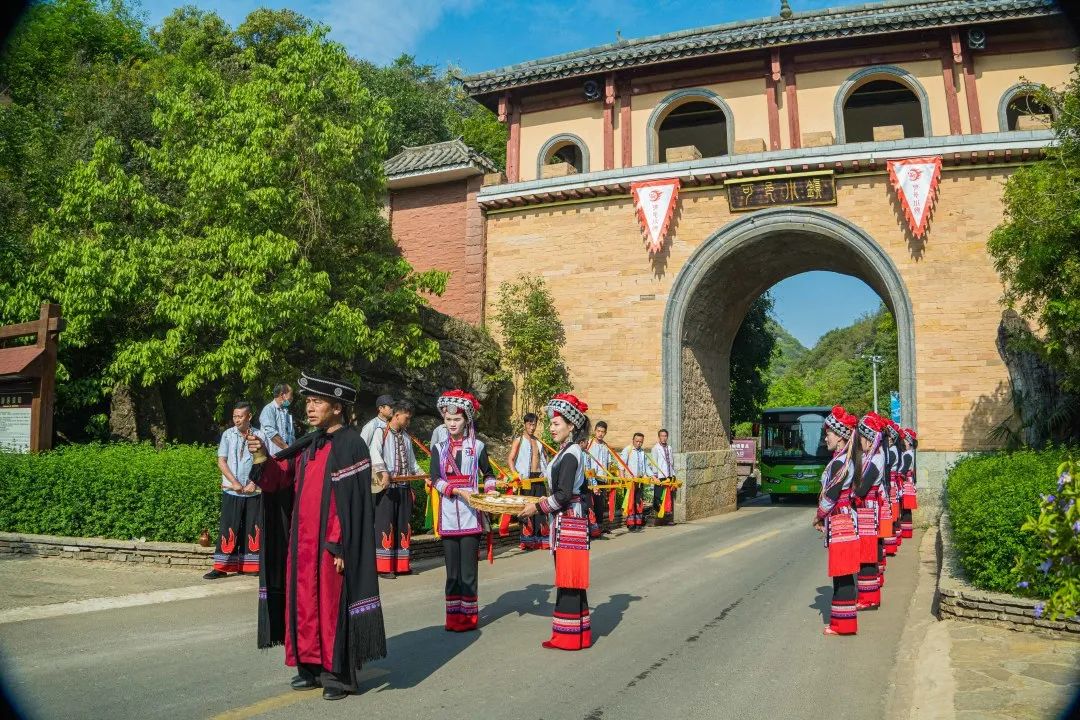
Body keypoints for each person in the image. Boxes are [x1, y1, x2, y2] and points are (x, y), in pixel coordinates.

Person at [247, 372, 385, 701]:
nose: (309, 408)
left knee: (330, 607)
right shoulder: (309, 443)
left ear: (337, 407)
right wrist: (261, 456)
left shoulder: (352, 444)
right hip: (301, 544)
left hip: (330, 546)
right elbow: (280, 481)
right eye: (308, 401)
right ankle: (309, 668)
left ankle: (337, 675)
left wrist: (339, 545)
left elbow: (349, 502)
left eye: (317, 402)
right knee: (303, 604)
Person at [519, 393, 592, 650]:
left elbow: (562, 495)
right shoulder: (567, 451)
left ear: (571, 426)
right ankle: (578, 634)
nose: (551, 428)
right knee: (570, 580)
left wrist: (535, 507)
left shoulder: (571, 453)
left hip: (569, 521)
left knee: (569, 580)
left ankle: (568, 638)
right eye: (550, 424)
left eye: (556, 424)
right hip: (568, 519)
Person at [429, 390, 497, 632]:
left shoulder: (477, 446)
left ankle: (469, 619)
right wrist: (457, 492)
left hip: (470, 516)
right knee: (452, 573)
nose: (452, 424)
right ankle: (452, 618)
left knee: (468, 572)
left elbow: (489, 474)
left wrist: (490, 492)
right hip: (448, 516)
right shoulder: (438, 447)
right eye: (448, 420)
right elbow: (435, 479)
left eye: (456, 420)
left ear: (466, 420)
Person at [812, 405, 859, 636]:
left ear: (840, 436)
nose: (826, 437)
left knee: (842, 571)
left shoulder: (841, 462)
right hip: (842, 518)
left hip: (840, 519)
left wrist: (819, 515)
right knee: (843, 572)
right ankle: (842, 622)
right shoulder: (841, 459)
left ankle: (843, 624)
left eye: (829, 433)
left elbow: (831, 495)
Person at [205, 402, 265, 580]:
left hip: (253, 491)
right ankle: (221, 567)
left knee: (253, 527)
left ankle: (251, 566)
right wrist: (234, 482)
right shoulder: (228, 435)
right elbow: (221, 461)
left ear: (249, 417)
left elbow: (263, 461)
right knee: (228, 527)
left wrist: (253, 483)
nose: (237, 420)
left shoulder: (259, 435)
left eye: (240, 416)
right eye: (234, 416)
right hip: (232, 490)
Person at [371, 400, 422, 578]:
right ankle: (384, 567)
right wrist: (383, 472)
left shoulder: (407, 437)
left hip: (404, 486)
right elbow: (374, 453)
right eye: (406, 418)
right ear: (397, 415)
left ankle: (401, 565)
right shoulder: (380, 433)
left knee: (403, 525)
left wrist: (424, 477)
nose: (408, 422)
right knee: (386, 525)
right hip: (387, 487)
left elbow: (413, 463)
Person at [852, 412, 887, 610]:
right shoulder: (873, 457)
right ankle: (869, 596)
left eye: (862, 439)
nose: (860, 443)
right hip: (868, 509)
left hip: (868, 510)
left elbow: (863, 488)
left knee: (867, 554)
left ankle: (868, 599)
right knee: (867, 553)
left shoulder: (876, 460)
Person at [507, 412, 549, 550]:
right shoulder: (519, 440)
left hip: (539, 477)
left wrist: (548, 472)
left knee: (540, 507)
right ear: (525, 424)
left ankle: (541, 539)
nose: (532, 427)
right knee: (527, 509)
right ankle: (527, 540)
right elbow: (510, 459)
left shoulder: (539, 441)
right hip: (525, 478)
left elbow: (545, 459)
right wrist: (515, 475)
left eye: (534, 424)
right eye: (530, 424)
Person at [584, 421, 615, 537]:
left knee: (600, 505)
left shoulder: (606, 446)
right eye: (598, 431)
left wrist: (609, 479)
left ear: (605, 433)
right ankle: (591, 528)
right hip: (592, 478)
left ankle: (599, 528)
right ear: (595, 431)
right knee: (591, 504)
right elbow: (587, 464)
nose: (600, 434)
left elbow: (608, 463)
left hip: (603, 478)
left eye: (603, 432)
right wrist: (592, 481)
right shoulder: (590, 445)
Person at [620, 432, 650, 532]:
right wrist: (622, 478)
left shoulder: (642, 452)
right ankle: (630, 523)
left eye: (641, 442)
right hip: (630, 481)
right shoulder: (628, 450)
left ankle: (638, 521)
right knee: (631, 502)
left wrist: (650, 477)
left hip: (640, 480)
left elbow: (645, 467)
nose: (638, 443)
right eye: (637, 441)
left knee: (639, 501)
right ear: (633, 440)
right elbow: (622, 465)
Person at [259, 384, 296, 457]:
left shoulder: (286, 411)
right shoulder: (269, 409)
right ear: (282, 395)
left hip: (287, 456)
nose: (292, 398)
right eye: (290, 395)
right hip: (274, 457)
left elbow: (291, 435)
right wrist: (287, 449)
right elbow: (271, 433)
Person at [650, 429, 676, 525]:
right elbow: (654, 463)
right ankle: (658, 518)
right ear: (659, 437)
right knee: (658, 497)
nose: (663, 438)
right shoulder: (655, 448)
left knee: (668, 497)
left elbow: (671, 462)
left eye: (665, 436)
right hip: (660, 476)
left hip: (669, 476)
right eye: (662, 436)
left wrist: (673, 474)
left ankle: (667, 519)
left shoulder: (669, 447)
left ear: (667, 437)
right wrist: (655, 476)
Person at [899, 427, 918, 539]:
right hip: (908, 481)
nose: (903, 442)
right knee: (906, 508)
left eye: (905, 440)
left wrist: (898, 473)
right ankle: (906, 531)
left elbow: (904, 469)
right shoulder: (909, 453)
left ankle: (906, 532)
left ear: (909, 442)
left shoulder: (907, 454)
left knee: (906, 508)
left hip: (906, 482)